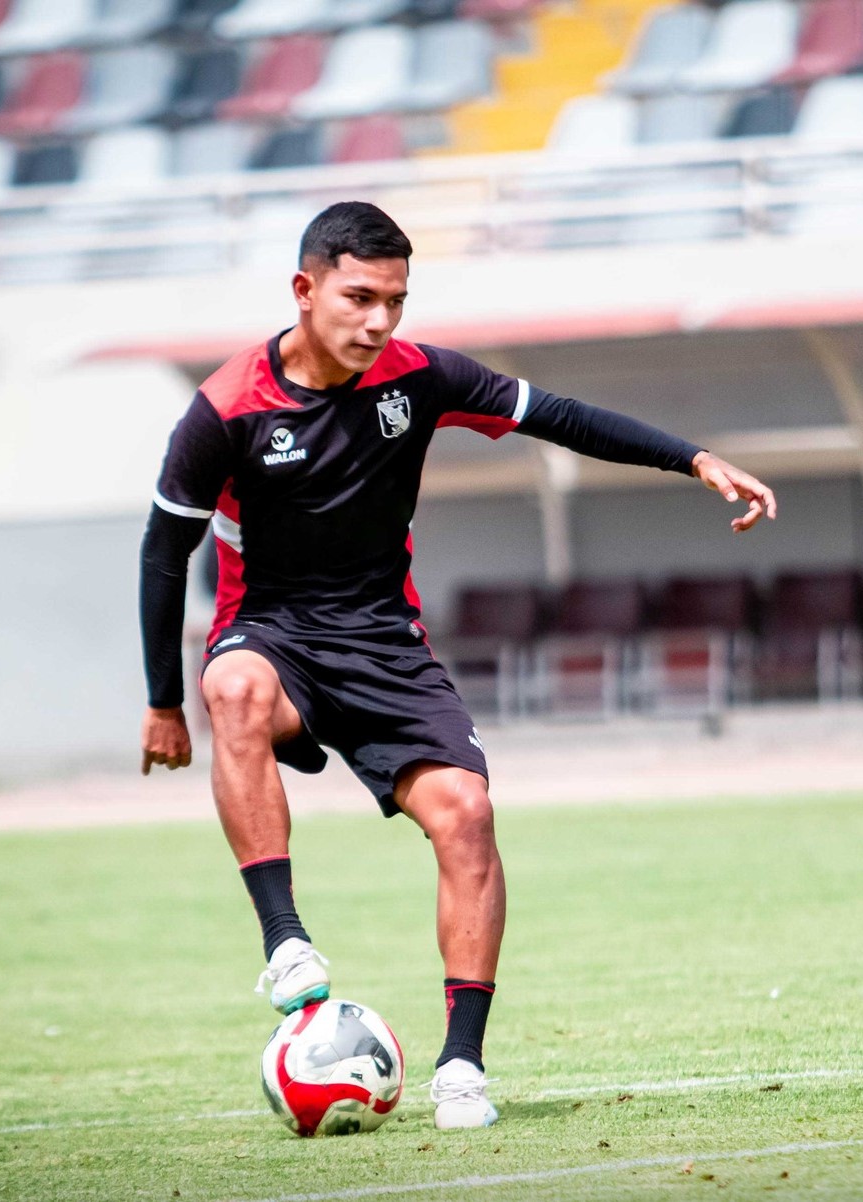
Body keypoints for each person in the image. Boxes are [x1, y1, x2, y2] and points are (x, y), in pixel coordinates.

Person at [138, 202, 776, 1130]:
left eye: (395, 300)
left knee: (468, 814)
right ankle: (285, 943)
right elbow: (164, 555)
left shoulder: (419, 376)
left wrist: (693, 458)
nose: (379, 322)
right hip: (271, 632)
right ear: (304, 290)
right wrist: (163, 702)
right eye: (359, 298)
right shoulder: (226, 406)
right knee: (230, 688)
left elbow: (556, 416)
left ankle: (462, 1067)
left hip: (384, 643)